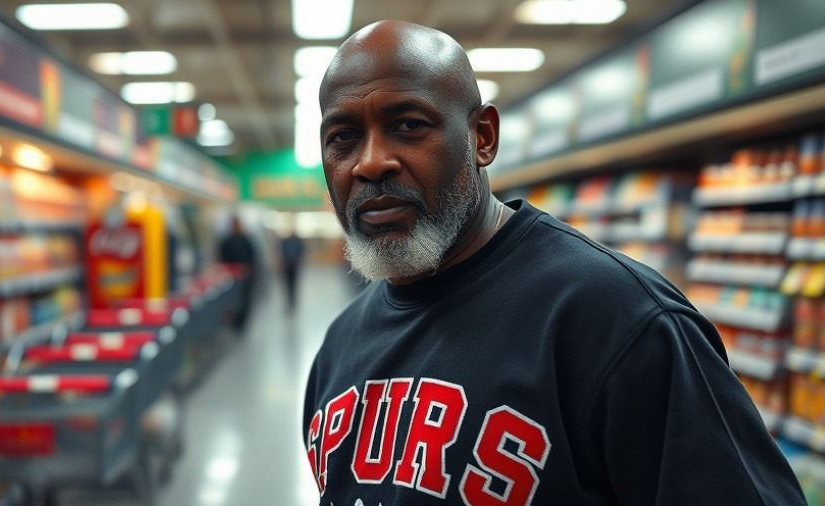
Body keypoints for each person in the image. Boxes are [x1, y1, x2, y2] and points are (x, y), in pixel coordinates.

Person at [302, 20, 804, 505]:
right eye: (343, 137)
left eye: (408, 125)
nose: (370, 162)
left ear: (483, 138)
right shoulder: (341, 344)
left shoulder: (620, 321)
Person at [218, 215, 257, 335]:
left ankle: (241, 323)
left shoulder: (246, 240)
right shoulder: (226, 240)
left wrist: (249, 270)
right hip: (231, 277)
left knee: (244, 300)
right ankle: (234, 322)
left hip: (244, 276)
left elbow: (253, 257)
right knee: (232, 301)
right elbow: (221, 257)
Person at [279, 226, 306, 311]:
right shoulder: (285, 241)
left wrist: (299, 260)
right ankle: (289, 300)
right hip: (287, 265)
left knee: (294, 283)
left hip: (294, 265)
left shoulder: (297, 241)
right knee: (287, 283)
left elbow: (301, 251)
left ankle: (293, 300)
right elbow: (282, 252)